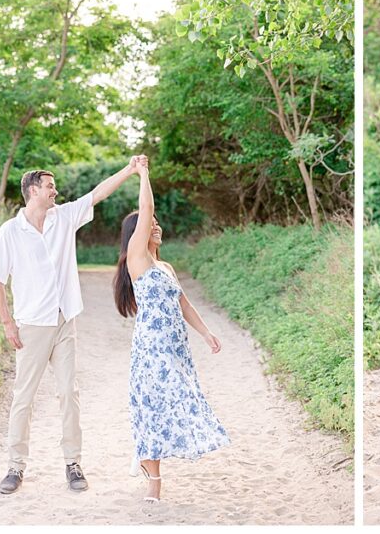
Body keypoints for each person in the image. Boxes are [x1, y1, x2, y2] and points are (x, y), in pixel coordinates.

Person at [0, 156, 147, 494]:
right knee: (24, 398)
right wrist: (7, 324)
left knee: (69, 394)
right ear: (33, 190)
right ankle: (15, 468)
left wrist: (131, 169)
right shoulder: (10, 232)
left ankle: (73, 464)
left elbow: (97, 193)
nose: (55, 190)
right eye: (49, 186)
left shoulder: (64, 218)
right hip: (30, 324)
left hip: (64, 320)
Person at [114, 157, 230, 504]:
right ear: (138, 232)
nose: (156, 226)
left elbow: (184, 304)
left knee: (176, 402)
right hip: (152, 349)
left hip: (176, 347)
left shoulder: (164, 265)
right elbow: (146, 206)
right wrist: (142, 171)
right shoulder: (137, 260)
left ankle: (148, 461)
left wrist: (207, 334)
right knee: (152, 407)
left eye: (157, 223)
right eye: (151, 224)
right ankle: (154, 480)